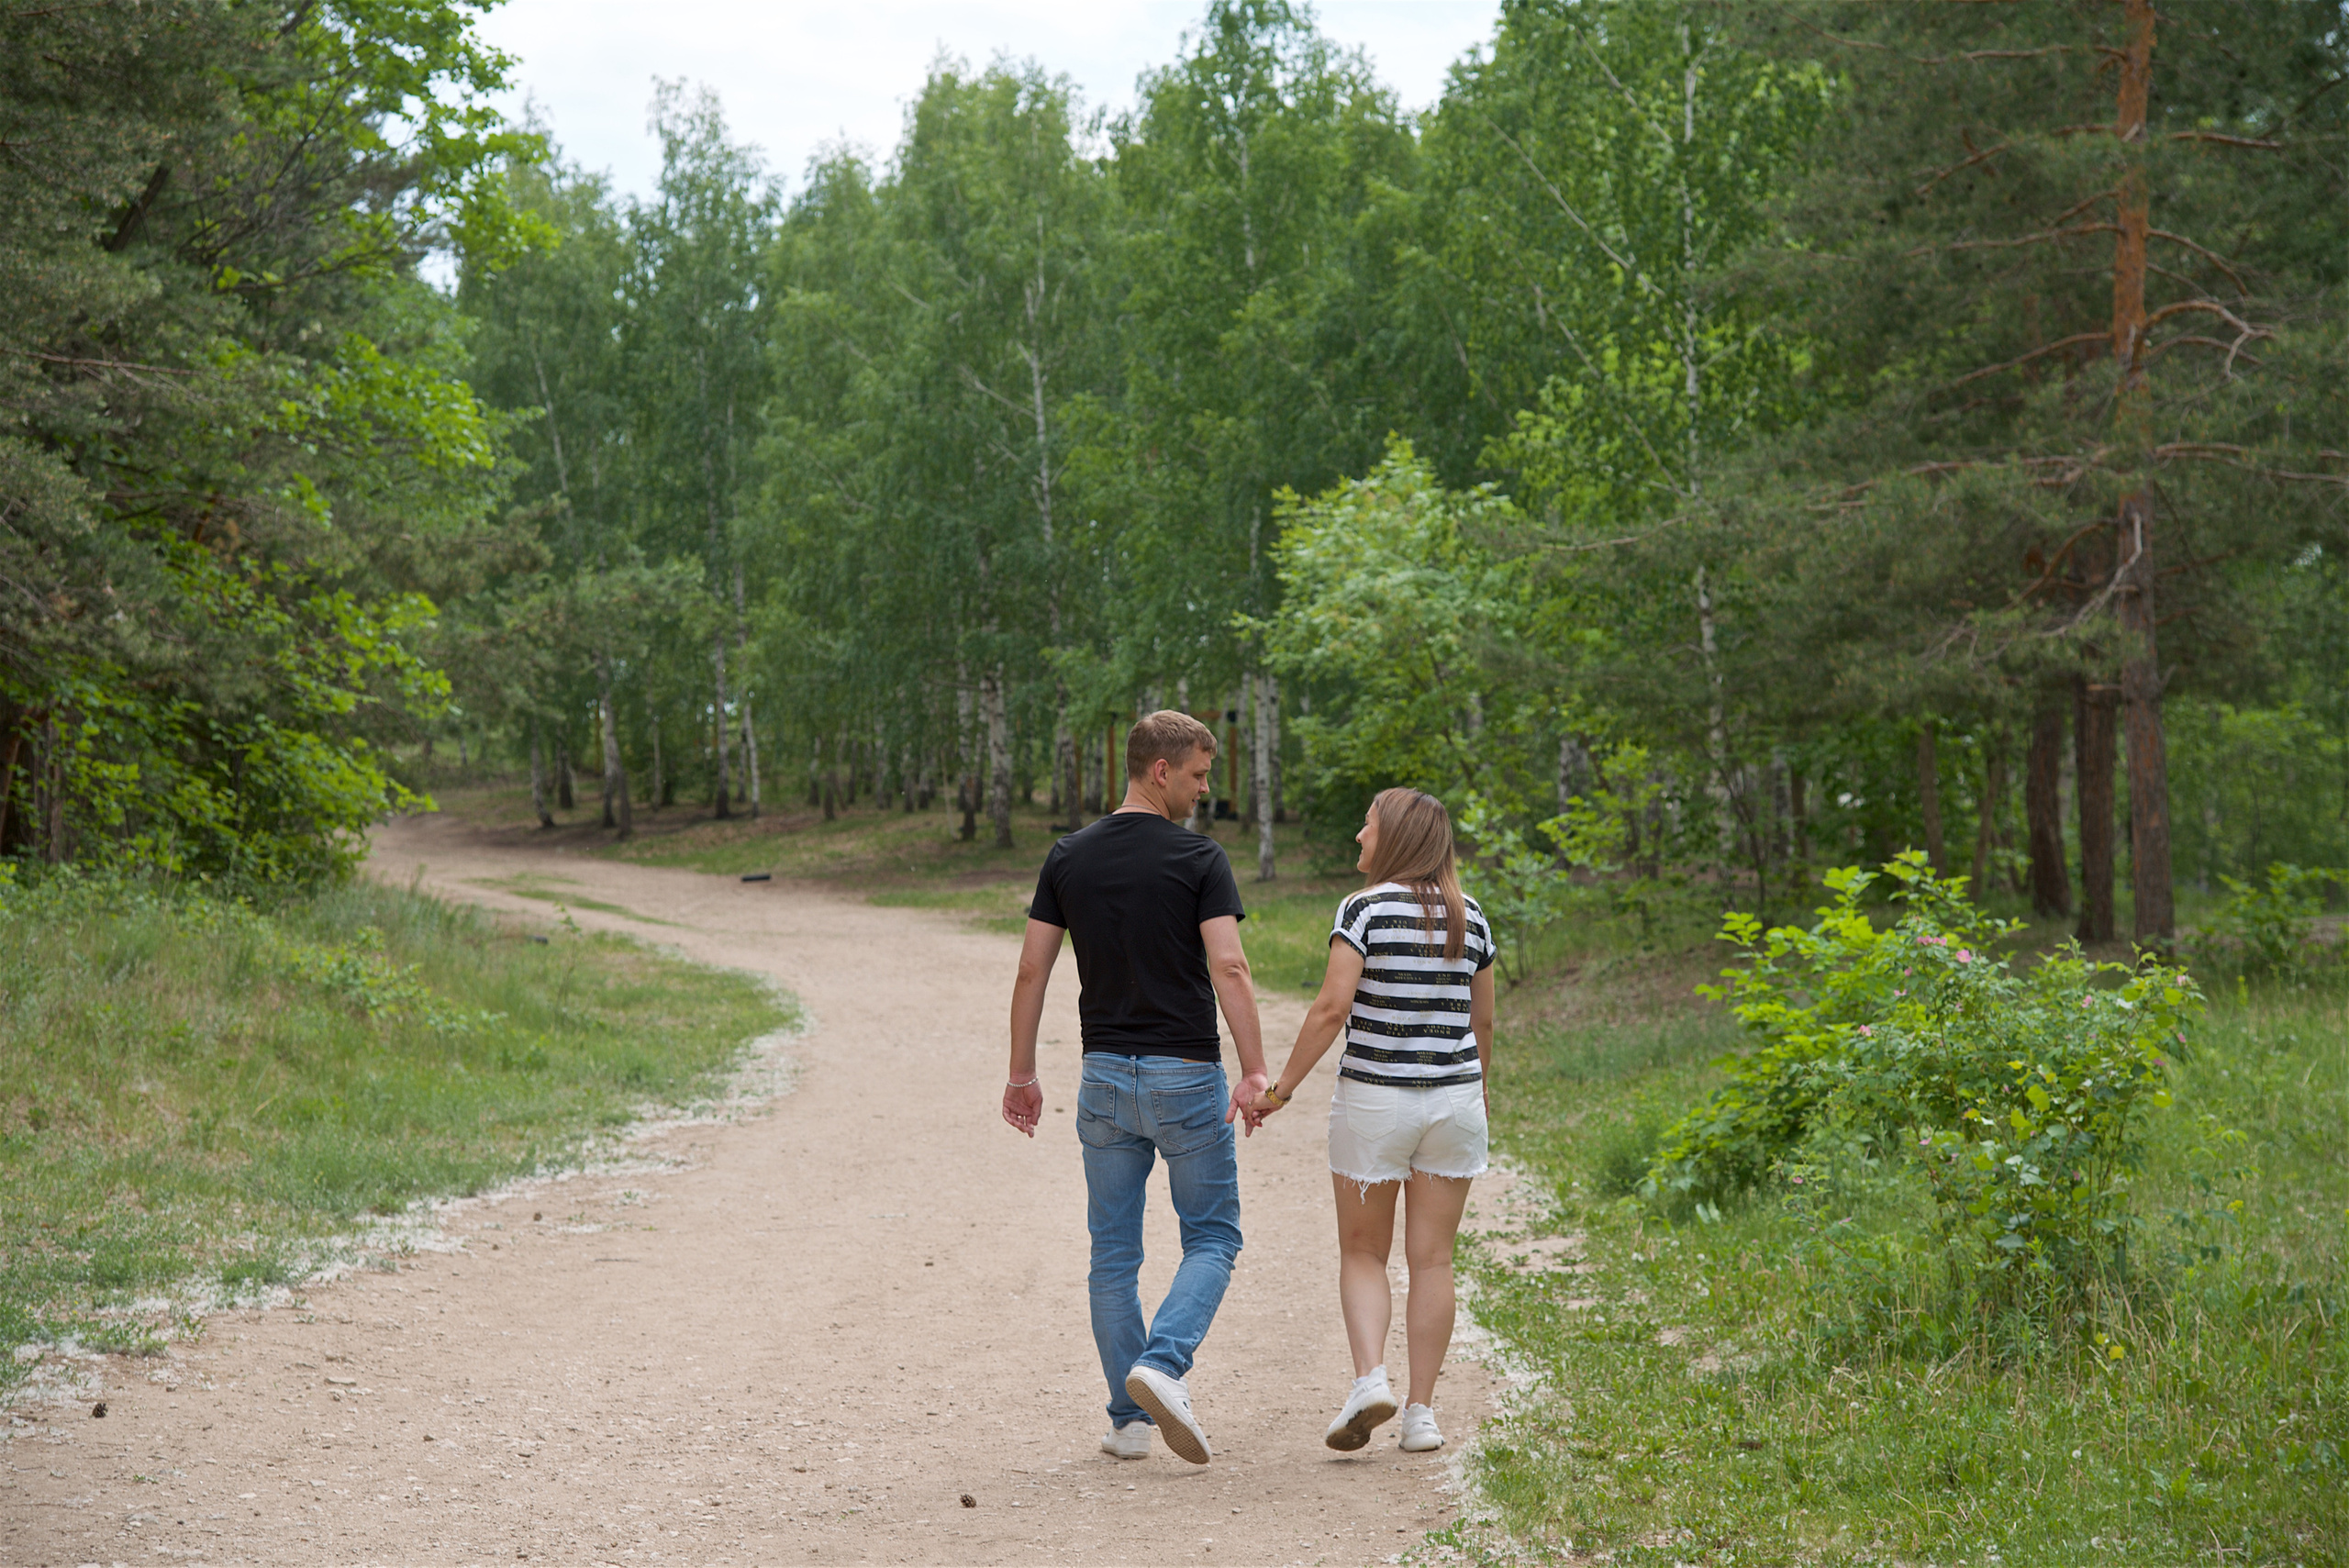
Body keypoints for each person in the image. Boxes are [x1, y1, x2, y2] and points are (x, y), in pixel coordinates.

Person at [1002, 709, 1270, 1466]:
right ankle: (1163, 1362)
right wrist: (1254, 1070)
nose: (1204, 790)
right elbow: (1230, 965)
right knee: (1213, 1235)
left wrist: (1022, 1073)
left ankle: (1128, 1421)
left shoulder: (1068, 856)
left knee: (1113, 1253)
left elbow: (1031, 968)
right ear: (1161, 770)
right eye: (1198, 775)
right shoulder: (1199, 858)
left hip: (1105, 1078)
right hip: (1185, 1073)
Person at [1249, 787, 1494, 1454]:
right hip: (1455, 1103)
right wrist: (1477, 1092)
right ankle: (1421, 1415)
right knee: (1434, 1259)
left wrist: (1281, 1090)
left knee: (1363, 1252)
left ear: (1397, 838)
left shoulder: (1363, 910)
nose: (1359, 835)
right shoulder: (1471, 915)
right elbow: (1483, 1022)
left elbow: (1332, 1008)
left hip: (1376, 1101)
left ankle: (1369, 1382)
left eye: (1368, 825)